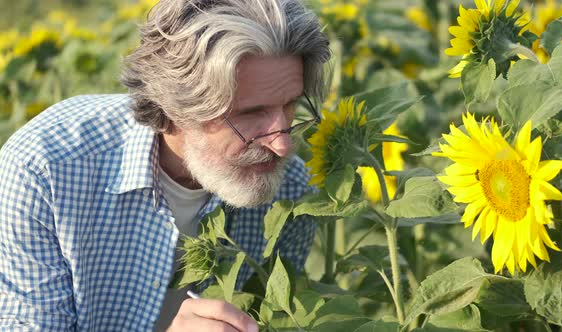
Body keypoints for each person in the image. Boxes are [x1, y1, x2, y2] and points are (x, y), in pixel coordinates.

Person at [0, 0, 331, 330]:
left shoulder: (289, 191)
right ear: (176, 108)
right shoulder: (47, 171)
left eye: (290, 106)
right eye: (249, 114)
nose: (283, 144)